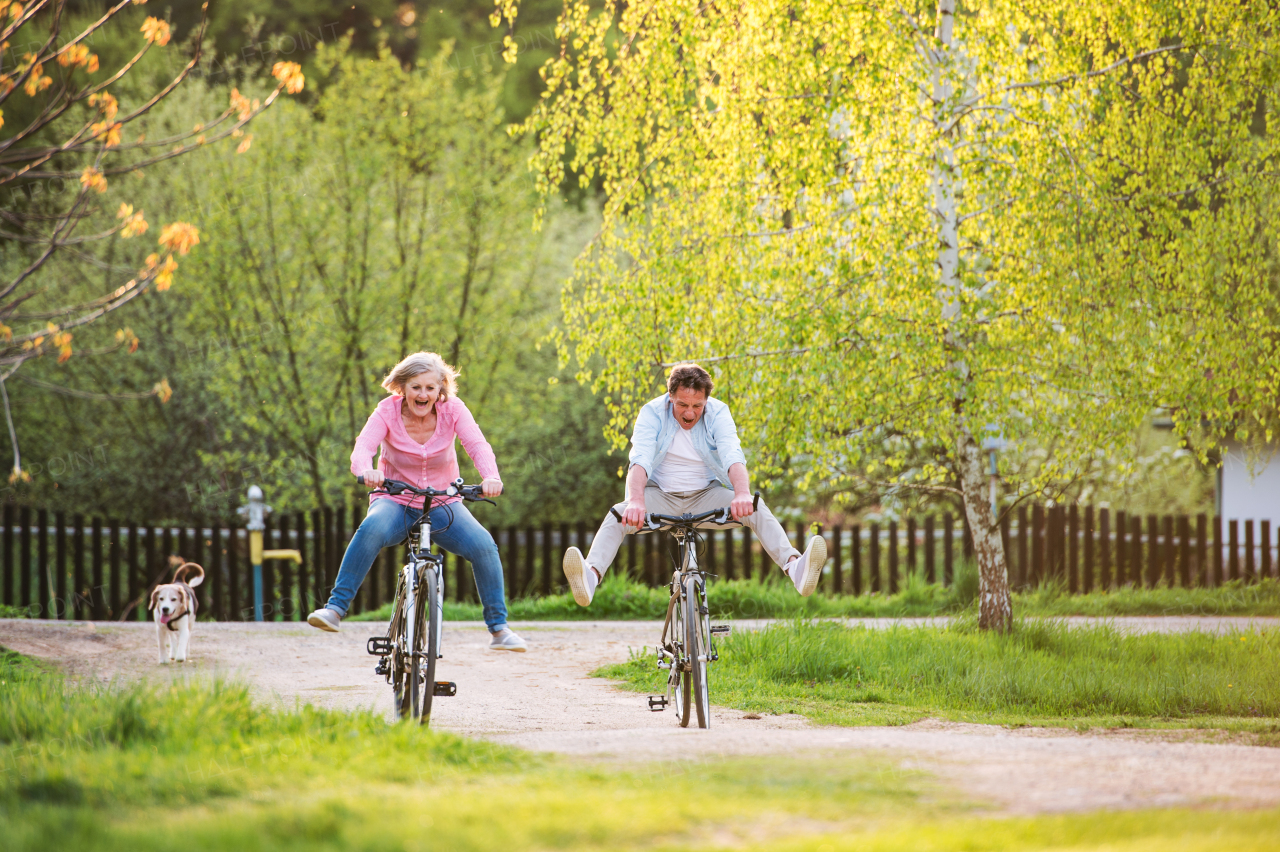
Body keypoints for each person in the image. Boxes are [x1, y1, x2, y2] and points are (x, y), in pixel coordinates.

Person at [307, 352, 526, 651]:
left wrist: (491, 477)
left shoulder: (454, 411)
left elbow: (477, 445)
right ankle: (334, 609)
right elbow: (363, 448)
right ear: (402, 388)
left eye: (429, 388)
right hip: (394, 499)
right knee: (371, 528)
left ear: (440, 390)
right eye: (415, 387)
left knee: (483, 545)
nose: (423, 394)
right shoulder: (386, 411)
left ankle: (499, 629)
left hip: (442, 502)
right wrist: (366, 471)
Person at [562, 363, 825, 604]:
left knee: (756, 507)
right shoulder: (652, 413)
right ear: (670, 397)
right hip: (661, 496)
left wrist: (742, 494)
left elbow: (732, 453)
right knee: (618, 514)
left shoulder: (718, 412)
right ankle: (591, 577)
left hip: (706, 496)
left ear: (706, 401)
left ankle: (795, 568)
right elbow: (639, 459)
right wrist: (637, 501)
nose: (690, 413)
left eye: (697, 406)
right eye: (682, 405)